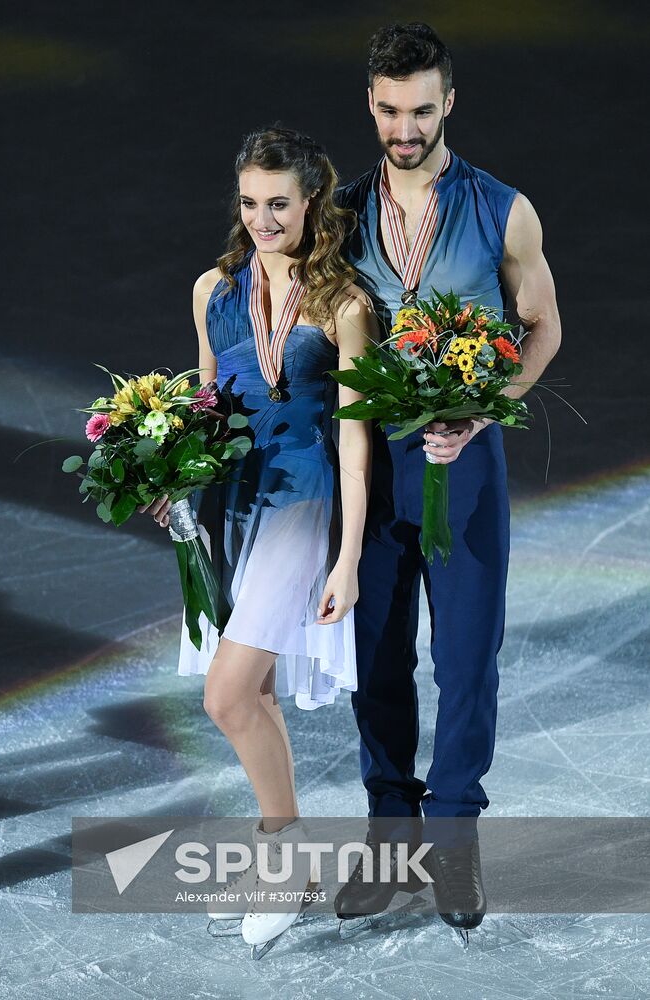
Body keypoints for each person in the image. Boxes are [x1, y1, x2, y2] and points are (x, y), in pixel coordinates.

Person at [332, 23, 562, 940]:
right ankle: (392, 836)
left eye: (420, 109)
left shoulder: (503, 209)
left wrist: (486, 406)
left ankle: (456, 840)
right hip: (369, 470)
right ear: (373, 105)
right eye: (389, 109)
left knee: (465, 658)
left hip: (464, 468)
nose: (403, 127)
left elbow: (540, 329)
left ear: (448, 105)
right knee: (375, 662)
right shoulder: (338, 214)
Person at [138, 126, 376, 955]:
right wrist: (169, 476)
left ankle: (286, 859)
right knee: (254, 694)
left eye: (279, 202)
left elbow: (355, 437)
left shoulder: (343, 305)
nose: (263, 218)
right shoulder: (214, 288)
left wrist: (345, 555)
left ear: (312, 200)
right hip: (230, 500)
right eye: (250, 202)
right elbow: (205, 399)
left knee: (226, 695)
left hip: (300, 501)